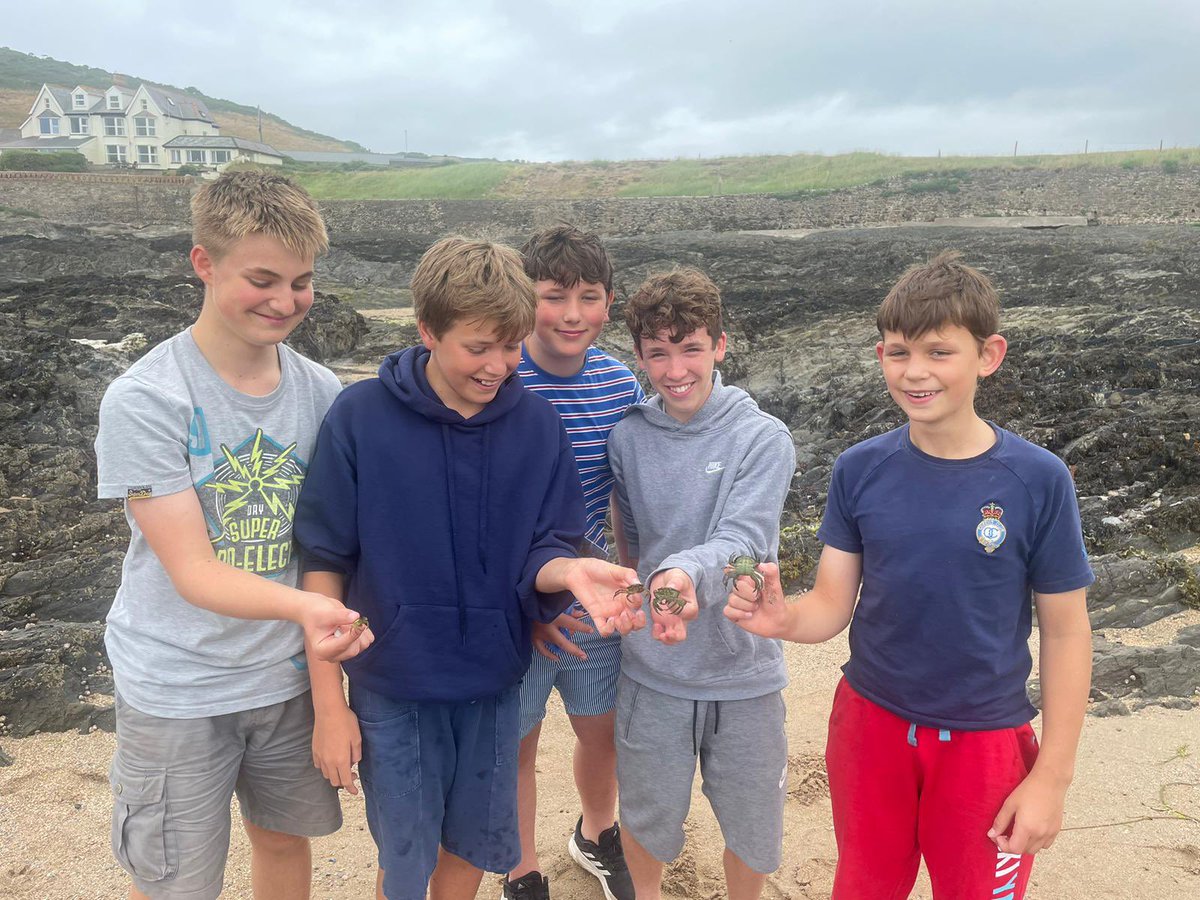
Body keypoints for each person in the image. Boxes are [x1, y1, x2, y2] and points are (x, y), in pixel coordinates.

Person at [725, 251, 1094, 900]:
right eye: (898, 352)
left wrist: (1052, 779)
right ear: (880, 358)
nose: (915, 371)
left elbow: (1065, 633)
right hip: (870, 725)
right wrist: (783, 620)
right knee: (865, 886)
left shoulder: (1039, 481)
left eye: (937, 351)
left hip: (985, 742)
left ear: (989, 354)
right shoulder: (860, 470)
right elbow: (834, 603)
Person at [293, 236, 645, 900]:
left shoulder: (536, 425)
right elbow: (324, 561)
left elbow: (547, 546)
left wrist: (569, 574)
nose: (498, 367)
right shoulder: (360, 418)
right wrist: (327, 703)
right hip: (391, 683)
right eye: (477, 348)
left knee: (473, 848)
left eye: (511, 348)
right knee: (405, 858)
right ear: (428, 330)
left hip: (491, 682)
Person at [95, 170, 374, 900]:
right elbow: (193, 571)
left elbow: (332, 543)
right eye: (262, 279)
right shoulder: (147, 398)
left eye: (303, 282)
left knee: (284, 844)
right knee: (174, 880)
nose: (285, 302)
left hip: (283, 680)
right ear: (204, 263)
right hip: (177, 685)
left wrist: (328, 686)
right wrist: (315, 613)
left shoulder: (322, 393)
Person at [607, 268, 796, 900]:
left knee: (753, 823)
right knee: (646, 816)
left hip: (743, 671)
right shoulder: (627, 438)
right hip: (653, 669)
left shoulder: (763, 438)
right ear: (638, 356)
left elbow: (746, 541)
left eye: (690, 348)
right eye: (657, 352)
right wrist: (647, 587)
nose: (674, 368)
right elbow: (631, 542)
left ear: (720, 344)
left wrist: (683, 573)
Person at [502, 224, 645, 900]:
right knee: (516, 750)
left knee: (602, 733)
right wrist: (528, 609)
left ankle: (595, 833)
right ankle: (521, 870)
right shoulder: (499, 375)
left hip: (594, 597)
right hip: (515, 606)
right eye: (553, 296)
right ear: (525, 298)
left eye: (587, 298)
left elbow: (621, 495)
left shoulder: (619, 383)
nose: (570, 315)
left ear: (608, 303)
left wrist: (634, 577)